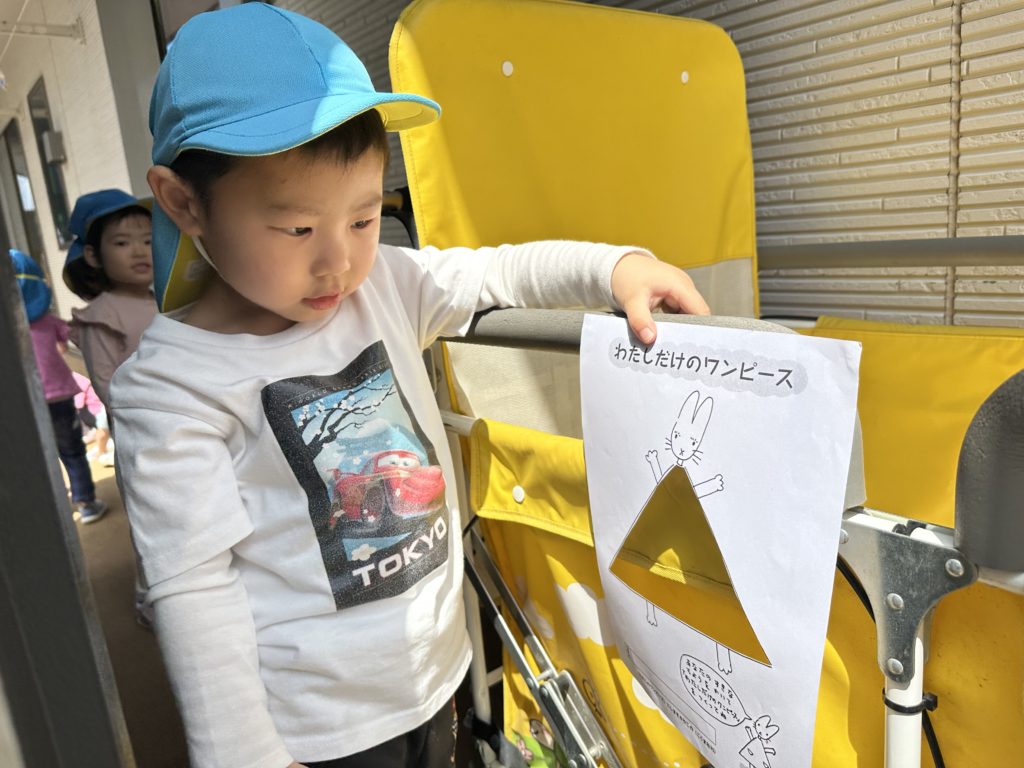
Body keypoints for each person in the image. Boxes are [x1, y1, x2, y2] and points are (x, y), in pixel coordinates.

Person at [111, 5, 710, 768]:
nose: (338, 262)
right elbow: (194, 589)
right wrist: (243, 754)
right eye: (298, 230)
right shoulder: (173, 387)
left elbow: (497, 271)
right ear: (184, 203)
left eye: (364, 219)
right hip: (319, 728)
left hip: (437, 673)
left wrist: (615, 267)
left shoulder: (387, 284)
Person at [11, 249, 108, 524]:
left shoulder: (8, 329)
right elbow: (70, 341)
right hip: (59, 398)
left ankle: (47, 508)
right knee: (72, 451)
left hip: (24, 401)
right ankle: (86, 503)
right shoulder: (49, 321)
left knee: (37, 457)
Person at [63, 189, 157, 411]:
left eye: (148, 241)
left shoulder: (163, 300)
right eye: (122, 243)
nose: (139, 252)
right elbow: (107, 387)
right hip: (143, 425)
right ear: (93, 255)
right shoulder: (102, 316)